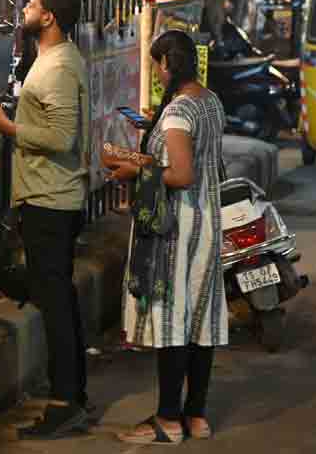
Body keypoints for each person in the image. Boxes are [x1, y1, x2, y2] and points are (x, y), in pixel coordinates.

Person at [0, 0, 91, 437]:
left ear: (49, 17)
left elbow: (62, 138)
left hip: (52, 200)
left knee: (55, 302)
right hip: (42, 196)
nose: (24, 6)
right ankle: (71, 392)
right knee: (55, 299)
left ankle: (66, 400)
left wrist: (7, 127)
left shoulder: (60, 65)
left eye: (33, 2)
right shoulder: (49, 59)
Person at [104, 31, 227, 445]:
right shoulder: (209, 101)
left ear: (166, 66)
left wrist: (134, 169)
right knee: (200, 322)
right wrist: (142, 154)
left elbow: (181, 174)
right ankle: (197, 416)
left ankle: (168, 420)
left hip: (178, 229)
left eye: (157, 65)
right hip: (208, 224)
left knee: (173, 323)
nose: (157, 73)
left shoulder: (177, 113)